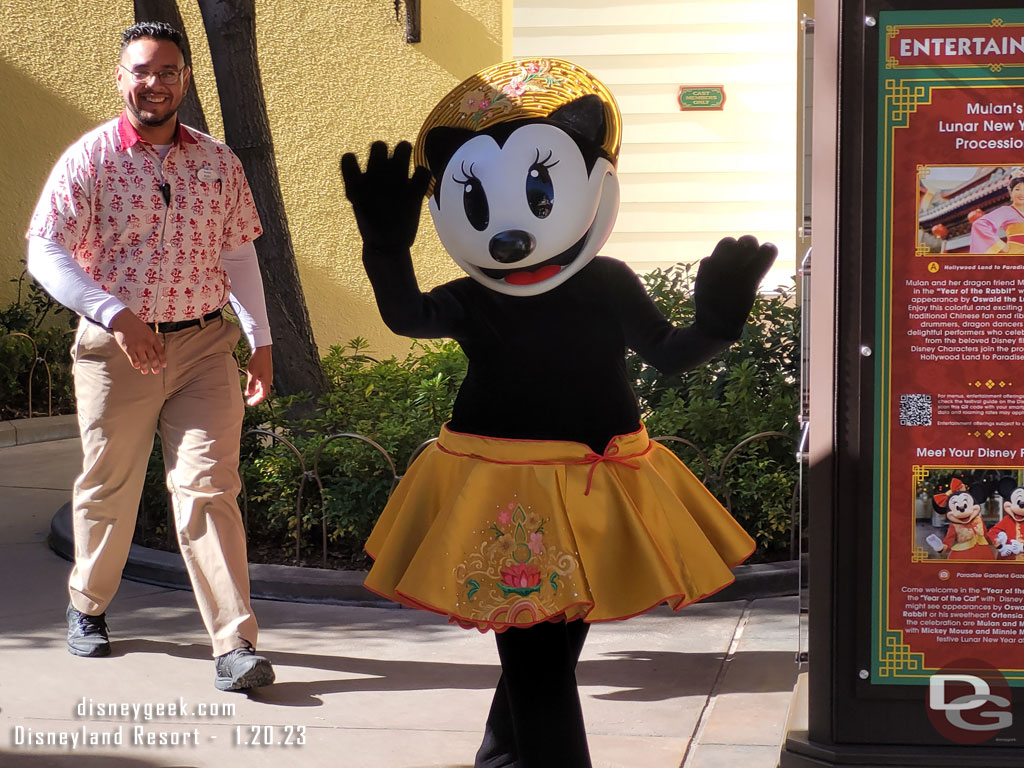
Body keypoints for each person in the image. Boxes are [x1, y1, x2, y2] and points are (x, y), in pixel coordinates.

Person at [342, 58, 772, 766]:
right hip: (504, 497)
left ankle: (501, 758)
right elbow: (409, 316)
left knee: (544, 657)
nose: (510, 233)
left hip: (600, 484)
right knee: (540, 665)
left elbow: (665, 350)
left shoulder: (606, 282)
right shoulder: (475, 297)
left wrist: (719, 321)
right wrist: (386, 250)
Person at [26, 21, 275, 691]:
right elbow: (44, 250)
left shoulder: (218, 161)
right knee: (110, 486)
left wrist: (262, 340)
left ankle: (235, 643)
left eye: (168, 71)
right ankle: (87, 604)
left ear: (185, 80)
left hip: (203, 344)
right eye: (141, 70)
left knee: (208, 488)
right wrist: (114, 314)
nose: (154, 82)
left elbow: (238, 253)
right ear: (120, 78)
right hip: (116, 351)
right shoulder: (91, 158)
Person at [970, 169, 1024, 253]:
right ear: (1011, 193)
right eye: (1017, 189)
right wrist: (1000, 246)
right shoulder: (1006, 211)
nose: (1022, 193)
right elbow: (980, 224)